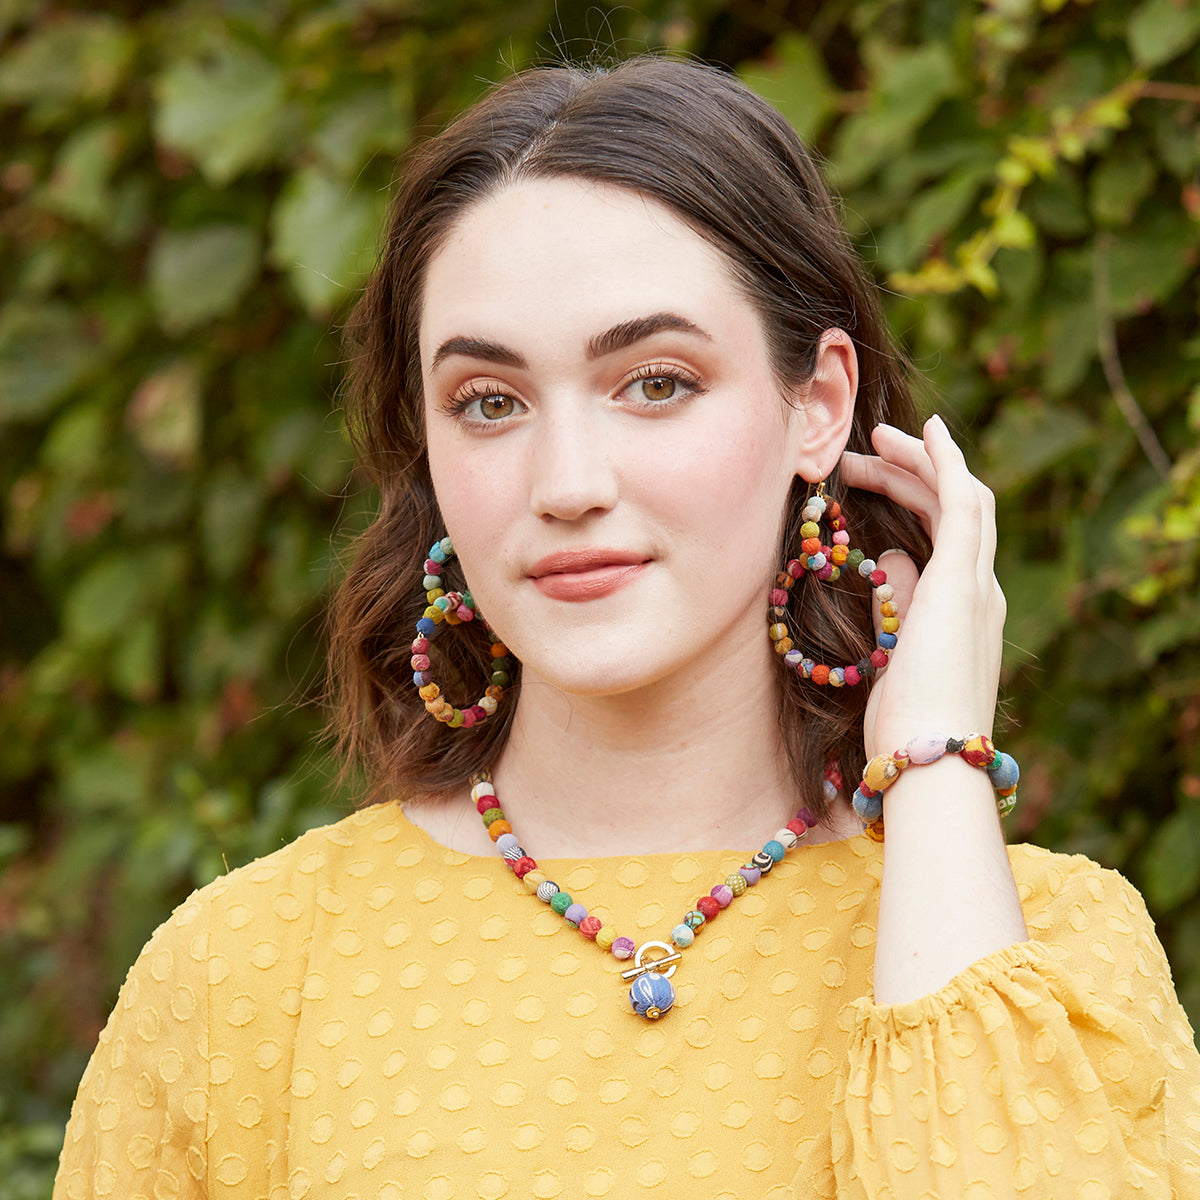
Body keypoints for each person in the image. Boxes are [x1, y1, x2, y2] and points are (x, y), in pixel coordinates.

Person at [54, 56, 1200, 1199]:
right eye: (489, 402)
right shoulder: (242, 980)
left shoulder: (1055, 954)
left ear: (819, 403)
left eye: (654, 382)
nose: (566, 482)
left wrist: (935, 758)